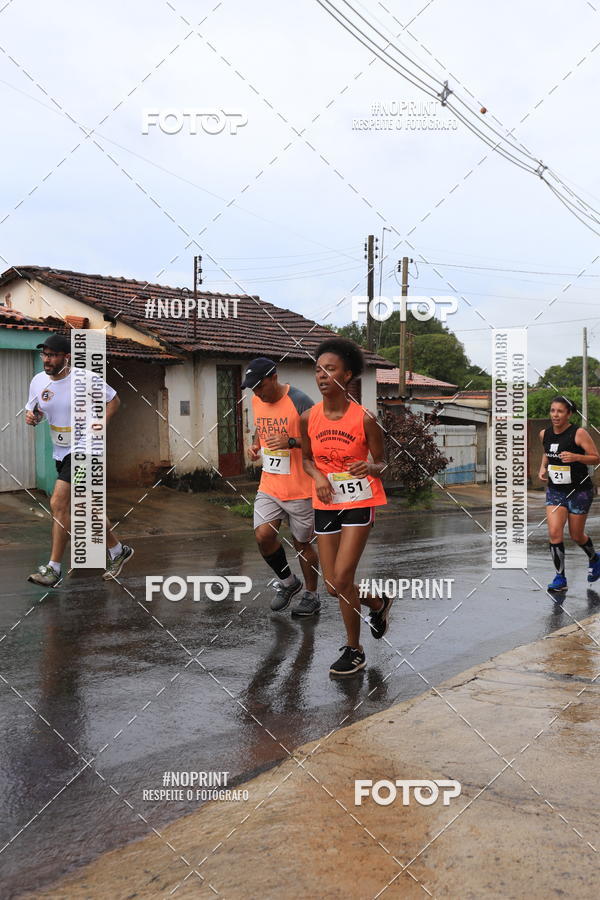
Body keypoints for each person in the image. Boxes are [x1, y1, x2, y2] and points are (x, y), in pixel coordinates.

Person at [300, 337, 390, 676]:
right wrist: (319, 477)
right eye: (318, 370)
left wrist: (369, 467)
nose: (322, 376)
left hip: (359, 500)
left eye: (330, 369)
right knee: (333, 585)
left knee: (342, 576)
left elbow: (382, 463)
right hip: (326, 502)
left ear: (347, 374)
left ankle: (355, 650)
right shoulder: (308, 417)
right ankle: (377, 603)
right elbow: (307, 459)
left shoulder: (365, 418)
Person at [25, 333, 134, 587]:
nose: (47, 360)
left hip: (86, 450)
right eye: (45, 355)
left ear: (67, 358)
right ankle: (118, 551)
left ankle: (53, 569)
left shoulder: (86, 379)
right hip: (61, 451)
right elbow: (35, 411)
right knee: (83, 512)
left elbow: (114, 400)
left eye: (52, 355)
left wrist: (102, 422)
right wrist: (33, 418)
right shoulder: (38, 381)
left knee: (58, 502)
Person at [244, 357, 320, 616]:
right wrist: (255, 445)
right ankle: (289, 583)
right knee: (263, 535)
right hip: (270, 484)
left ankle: (311, 595)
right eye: (253, 389)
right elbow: (260, 429)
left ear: (273, 378)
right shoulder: (257, 400)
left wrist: (291, 441)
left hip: (300, 488)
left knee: (302, 544)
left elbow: (318, 440)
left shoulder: (300, 401)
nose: (257, 393)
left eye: (260, 386)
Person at [539, 395, 600, 592]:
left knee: (576, 535)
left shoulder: (578, 433)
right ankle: (560, 578)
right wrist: (542, 467)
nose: (555, 415)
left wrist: (576, 457)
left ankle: (594, 558)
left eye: (560, 411)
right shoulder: (544, 434)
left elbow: (595, 458)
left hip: (579, 491)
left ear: (569, 414)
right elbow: (546, 452)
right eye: (553, 410)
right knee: (554, 532)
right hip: (556, 490)